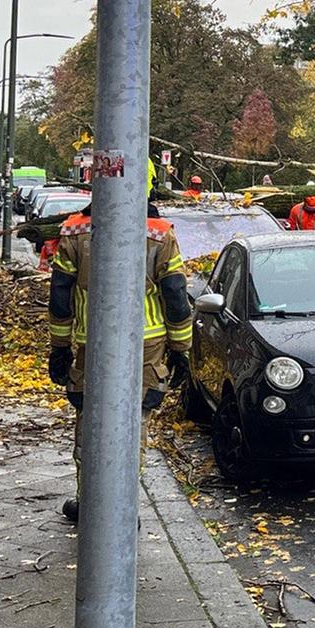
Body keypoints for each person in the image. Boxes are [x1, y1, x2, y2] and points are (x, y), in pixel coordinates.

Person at [46, 159, 194, 522]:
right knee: (135, 424)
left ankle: (88, 501)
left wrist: (59, 348)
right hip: (147, 345)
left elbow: (60, 296)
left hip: (89, 345)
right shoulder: (160, 234)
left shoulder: (74, 231)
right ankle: (124, 508)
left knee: (89, 420)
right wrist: (181, 350)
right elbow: (175, 296)